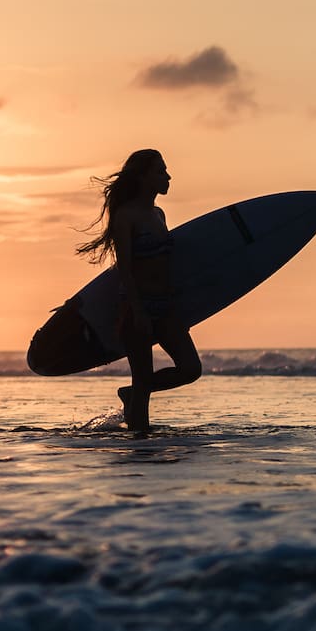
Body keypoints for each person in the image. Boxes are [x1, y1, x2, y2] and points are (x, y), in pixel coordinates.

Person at [74, 149, 200, 430]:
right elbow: (126, 269)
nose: (167, 176)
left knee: (191, 369)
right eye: (160, 171)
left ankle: (130, 393)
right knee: (142, 383)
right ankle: (140, 451)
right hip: (137, 307)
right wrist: (139, 311)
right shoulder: (126, 216)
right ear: (143, 177)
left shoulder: (159, 214)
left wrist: (181, 308)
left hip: (166, 306)